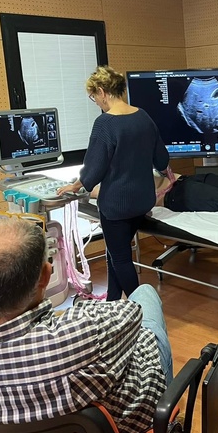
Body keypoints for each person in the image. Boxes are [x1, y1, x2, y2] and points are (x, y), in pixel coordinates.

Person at [0, 218, 172, 433]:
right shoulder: (84, 332)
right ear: (46, 275)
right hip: (131, 418)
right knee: (145, 294)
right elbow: (132, 314)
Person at [57, 65, 169, 301]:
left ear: (102, 91)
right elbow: (162, 159)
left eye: (93, 97)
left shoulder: (105, 124)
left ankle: (141, 308)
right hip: (142, 201)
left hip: (117, 205)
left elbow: (93, 169)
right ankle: (112, 301)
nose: (96, 102)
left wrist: (76, 186)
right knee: (115, 251)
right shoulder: (144, 117)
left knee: (120, 258)